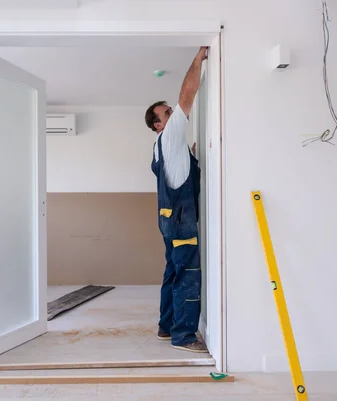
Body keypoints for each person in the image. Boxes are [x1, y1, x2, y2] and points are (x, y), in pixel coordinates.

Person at [144, 46, 208, 353]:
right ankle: (183, 336)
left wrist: (192, 156)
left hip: (169, 223)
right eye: (166, 113)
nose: (174, 113)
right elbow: (187, 95)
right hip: (182, 225)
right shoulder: (168, 136)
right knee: (186, 277)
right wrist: (197, 60)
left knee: (172, 274)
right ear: (158, 125)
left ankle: (166, 328)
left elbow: (176, 173)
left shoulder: (162, 147)